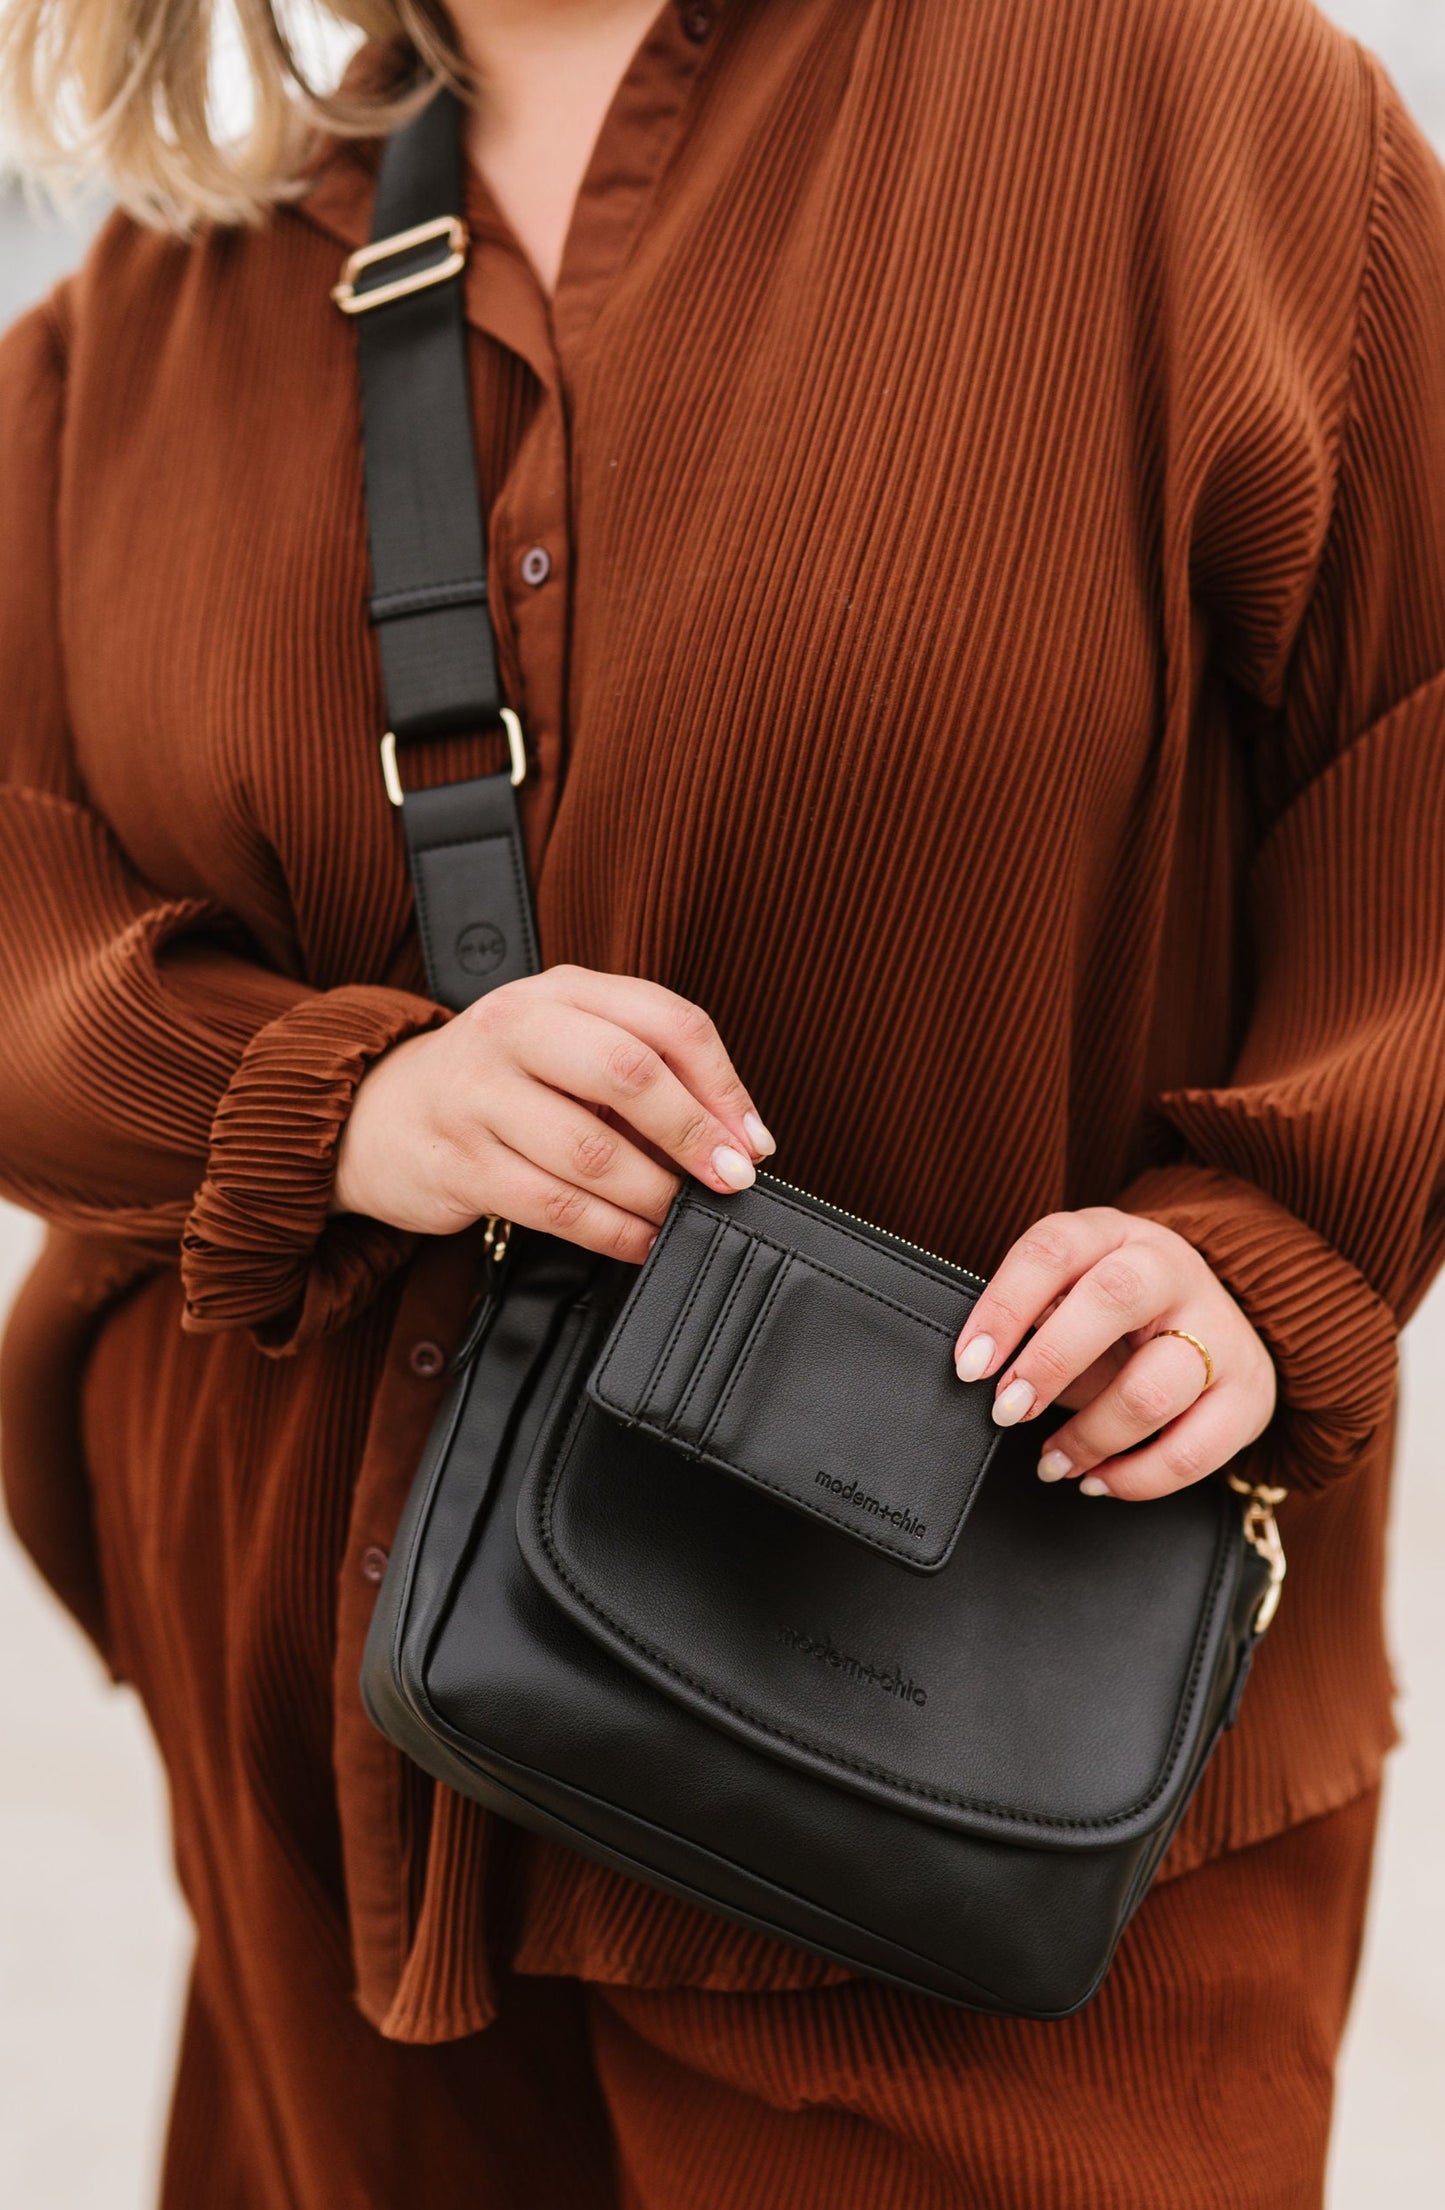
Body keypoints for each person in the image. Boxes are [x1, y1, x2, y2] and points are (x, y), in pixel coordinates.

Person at [0, 0, 1441, 2202]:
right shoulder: (136, 325)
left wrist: (1271, 1252)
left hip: (978, 1828)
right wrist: (332, 1105)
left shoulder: (1201, 114)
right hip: (337, 1826)